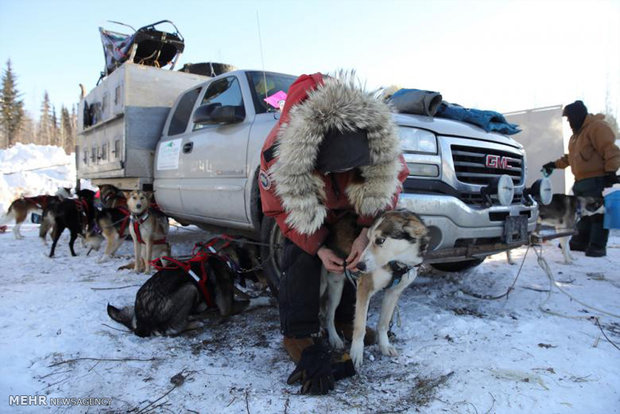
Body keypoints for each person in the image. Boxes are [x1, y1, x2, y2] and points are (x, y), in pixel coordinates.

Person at [259, 73, 409, 394]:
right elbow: (278, 209)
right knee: (300, 252)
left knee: (356, 258)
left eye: (350, 164)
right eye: (335, 166)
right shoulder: (278, 154)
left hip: (351, 206)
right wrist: (317, 246)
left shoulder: (378, 136)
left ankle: (344, 319)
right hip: (309, 204)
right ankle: (298, 330)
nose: (342, 172)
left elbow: (392, 181)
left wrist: (368, 228)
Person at [542, 100, 620, 257]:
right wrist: (553, 165)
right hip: (580, 181)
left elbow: (611, 150)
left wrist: (611, 172)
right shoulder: (576, 136)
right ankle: (580, 242)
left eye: (570, 118)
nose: (569, 121)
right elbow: (570, 158)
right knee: (581, 213)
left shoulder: (597, 127)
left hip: (597, 179)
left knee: (597, 212)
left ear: (578, 115)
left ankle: (597, 246)